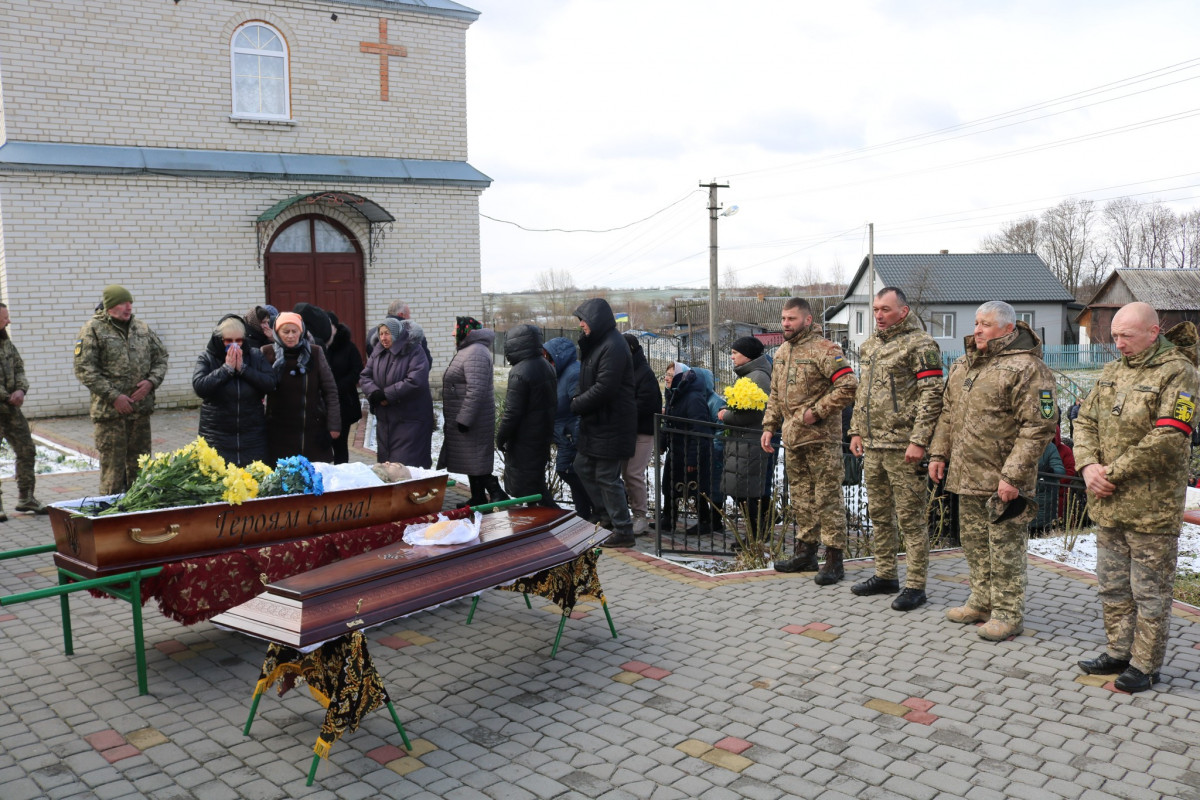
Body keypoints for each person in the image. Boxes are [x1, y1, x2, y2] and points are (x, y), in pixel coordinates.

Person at [1074, 302, 1199, 693]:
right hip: (1108, 501)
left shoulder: (1180, 371)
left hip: (1150, 506)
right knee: (1112, 585)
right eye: (1115, 336)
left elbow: (1170, 434)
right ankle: (1118, 651)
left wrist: (1112, 471)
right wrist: (1087, 466)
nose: (1119, 343)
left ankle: (1145, 665)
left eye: (1126, 335)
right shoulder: (1112, 371)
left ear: (1153, 331)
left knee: (1149, 591)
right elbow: (1084, 420)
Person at [928, 301, 1056, 641]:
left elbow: (1038, 427)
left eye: (985, 324)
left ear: (1007, 329)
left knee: (1004, 550)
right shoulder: (964, 365)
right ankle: (981, 602)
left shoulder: (1028, 368)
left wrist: (1013, 475)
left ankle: (1008, 613)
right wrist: (939, 453)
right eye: (976, 323)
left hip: (1004, 481)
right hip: (967, 477)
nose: (977, 330)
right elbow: (947, 414)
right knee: (974, 545)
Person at [847, 287, 945, 611]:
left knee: (911, 519)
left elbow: (932, 396)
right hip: (874, 446)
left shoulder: (921, 344)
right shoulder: (871, 346)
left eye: (885, 309)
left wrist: (919, 441)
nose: (878, 315)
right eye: (875, 309)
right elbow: (863, 393)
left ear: (902, 311)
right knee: (879, 515)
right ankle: (885, 574)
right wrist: (856, 431)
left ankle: (915, 585)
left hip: (903, 447)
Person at [761, 297, 858, 585]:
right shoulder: (781, 353)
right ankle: (806, 552)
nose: (786, 324)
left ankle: (834, 558)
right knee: (802, 499)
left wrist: (816, 412)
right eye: (783, 319)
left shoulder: (825, 350)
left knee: (827, 499)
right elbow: (776, 395)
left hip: (821, 440)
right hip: (793, 441)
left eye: (791, 319)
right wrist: (769, 426)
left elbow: (848, 385)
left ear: (807, 319)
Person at [74, 284, 169, 495]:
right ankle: (110, 519)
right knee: (113, 474)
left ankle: (139, 516)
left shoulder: (142, 328)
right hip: (111, 416)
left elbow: (161, 357)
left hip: (140, 412)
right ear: (110, 306)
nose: (129, 307)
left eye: (130, 302)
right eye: (123, 303)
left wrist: (151, 382)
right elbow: (84, 369)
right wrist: (114, 397)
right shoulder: (92, 330)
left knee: (141, 470)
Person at [571, 298, 637, 548]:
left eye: (583, 320)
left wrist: (577, 403)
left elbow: (605, 388)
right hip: (597, 422)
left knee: (608, 476)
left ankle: (623, 529)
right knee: (583, 466)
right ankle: (605, 516)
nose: (581, 325)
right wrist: (577, 397)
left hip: (613, 422)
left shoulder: (614, 346)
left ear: (595, 320)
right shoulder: (597, 344)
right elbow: (586, 378)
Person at [192, 315, 277, 466]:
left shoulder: (255, 356)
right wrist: (226, 369)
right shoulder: (207, 358)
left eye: (238, 341)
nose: (234, 345)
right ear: (219, 339)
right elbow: (200, 387)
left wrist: (244, 370)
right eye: (228, 341)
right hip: (217, 435)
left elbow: (270, 383)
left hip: (252, 435)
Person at [438, 316, 506, 506]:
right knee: (471, 460)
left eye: (455, 329)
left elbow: (476, 389)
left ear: (465, 330)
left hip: (472, 420)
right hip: (468, 418)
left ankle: (497, 493)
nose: (452, 333)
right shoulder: (470, 349)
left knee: (475, 460)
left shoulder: (475, 352)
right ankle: (477, 497)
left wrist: (464, 419)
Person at [262, 312, 341, 463]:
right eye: (285, 332)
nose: (290, 336)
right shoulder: (267, 353)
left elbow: (330, 391)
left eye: (294, 331)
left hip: (311, 429)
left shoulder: (315, 353)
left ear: (301, 332)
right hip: (278, 431)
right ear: (277, 333)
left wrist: (334, 426)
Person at [496, 324, 558, 505]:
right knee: (537, 486)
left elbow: (512, 412)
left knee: (530, 490)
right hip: (541, 436)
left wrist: (501, 437)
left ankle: (552, 521)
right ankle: (550, 521)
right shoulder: (546, 365)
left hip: (524, 441)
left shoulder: (519, 371)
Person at [719, 337, 773, 542]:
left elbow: (757, 413)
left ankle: (756, 537)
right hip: (743, 441)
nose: (732, 356)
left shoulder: (758, 377)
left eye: (735, 352)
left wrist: (727, 416)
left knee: (749, 492)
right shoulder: (750, 374)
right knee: (744, 491)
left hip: (751, 441)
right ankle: (756, 534)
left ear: (747, 355)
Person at [360, 317, 433, 467]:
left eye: (387, 333)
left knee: (406, 467)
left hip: (410, 421)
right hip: (386, 421)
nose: (383, 338)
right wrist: (374, 393)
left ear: (396, 334)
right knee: (388, 467)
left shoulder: (414, 351)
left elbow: (415, 381)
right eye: (380, 334)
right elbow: (365, 375)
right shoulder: (378, 352)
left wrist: (387, 394)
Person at [0, 303, 49, 517]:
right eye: (4, 318)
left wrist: (21, 389)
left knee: (26, 450)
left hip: (11, 409)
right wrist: (7, 396)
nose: (8, 321)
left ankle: (26, 498)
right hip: (5, 402)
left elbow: (19, 367)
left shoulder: (6, 342)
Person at [660, 362, 715, 534]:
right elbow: (667, 422)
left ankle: (705, 522)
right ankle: (668, 520)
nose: (667, 378)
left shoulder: (693, 398)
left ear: (680, 377)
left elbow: (699, 430)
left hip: (690, 451)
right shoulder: (674, 394)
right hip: (676, 450)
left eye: (671, 374)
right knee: (669, 486)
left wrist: (694, 458)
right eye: (666, 374)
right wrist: (663, 443)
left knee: (696, 488)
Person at [545, 337, 593, 519]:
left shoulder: (573, 373)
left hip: (570, 433)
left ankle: (593, 505)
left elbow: (577, 405)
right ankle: (584, 513)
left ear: (558, 356)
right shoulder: (560, 372)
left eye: (549, 356)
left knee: (566, 469)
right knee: (572, 473)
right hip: (564, 432)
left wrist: (574, 433)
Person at [623, 333, 662, 535]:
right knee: (622, 474)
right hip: (624, 430)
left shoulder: (643, 372)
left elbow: (648, 403)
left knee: (633, 473)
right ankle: (625, 513)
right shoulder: (623, 370)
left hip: (642, 431)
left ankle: (640, 516)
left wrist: (622, 412)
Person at [325, 310, 365, 464]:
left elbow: (357, 371)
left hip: (344, 402)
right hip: (323, 405)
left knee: (340, 444)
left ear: (336, 327)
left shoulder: (348, 347)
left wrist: (336, 387)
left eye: (330, 326)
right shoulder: (318, 345)